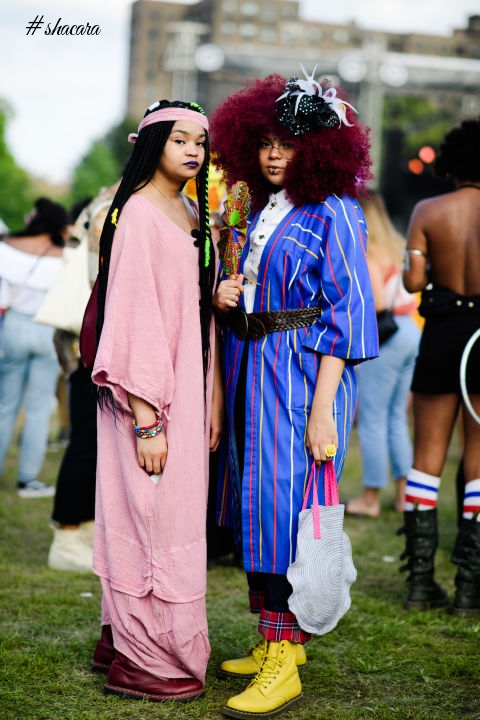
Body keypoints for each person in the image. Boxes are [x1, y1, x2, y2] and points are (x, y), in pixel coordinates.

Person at [209, 70, 379, 718]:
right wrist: (228, 296)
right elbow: (255, 282)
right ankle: (272, 639)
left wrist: (322, 408)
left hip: (302, 378)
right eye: (266, 143)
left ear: (318, 149)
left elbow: (346, 312)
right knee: (254, 506)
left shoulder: (335, 210)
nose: (275, 154)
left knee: (286, 514)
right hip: (251, 366)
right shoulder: (259, 206)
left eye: (288, 144)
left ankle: (286, 659)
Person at [89, 99, 222, 702]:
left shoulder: (191, 209)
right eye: (180, 140)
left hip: (187, 384)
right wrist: (148, 420)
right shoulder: (140, 211)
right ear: (153, 144)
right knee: (149, 514)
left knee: (170, 516)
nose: (193, 151)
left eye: (201, 141)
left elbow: (190, 305)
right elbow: (135, 316)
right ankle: (148, 657)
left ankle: (123, 637)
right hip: (151, 398)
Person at [399, 118, 480, 615]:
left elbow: (411, 282)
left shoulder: (428, 209)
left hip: (442, 331)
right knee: (478, 458)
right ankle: (470, 587)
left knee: (427, 455)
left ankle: (420, 584)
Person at [48, 188, 118, 573]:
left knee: (95, 444)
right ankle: (66, 535)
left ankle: (85, 532)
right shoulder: (112, 206)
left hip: (89, 343)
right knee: (86, 443)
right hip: (90, 345)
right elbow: (101, 279)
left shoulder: (108, 201)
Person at [345, 192, 421, 518]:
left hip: (386, 335)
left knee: (373, 419)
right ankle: (405, 495)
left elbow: (376, 302)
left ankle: (371, 498)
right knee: (395, 418)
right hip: (410, 331)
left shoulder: (369, 251)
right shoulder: (396, 244)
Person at [0, 198, 68, 497]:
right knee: (39, 408)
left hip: (13, 326)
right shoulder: (64, 256)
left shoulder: (7, 246)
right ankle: (28, 479)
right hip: (47, 331)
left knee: (5, 405)